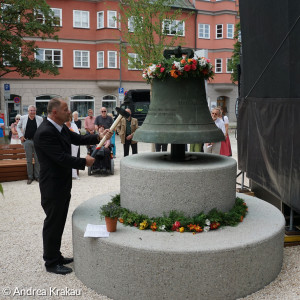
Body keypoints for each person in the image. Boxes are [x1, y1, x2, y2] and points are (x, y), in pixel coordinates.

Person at [33, 98, 112, 275]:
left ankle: (56, 255)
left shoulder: (59, 127)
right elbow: (61, 158)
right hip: (52, 186)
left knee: (59, 220)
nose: (69, 112)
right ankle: (51, 262)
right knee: (53, 222)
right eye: (66, 109)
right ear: (54, 112)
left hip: (62, 184)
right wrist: (84, 161)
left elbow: (77, 138)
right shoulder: (45, 132)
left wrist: (99, 136)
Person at [17, 105, 43, 184]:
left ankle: (37, 176)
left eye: (34, 110)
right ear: (28, 111)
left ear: (36, 111)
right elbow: (18, 127)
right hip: (27, 141)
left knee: (37, 160)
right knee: (29, 160)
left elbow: (43, 128)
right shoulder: (23, 118)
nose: (32, 112)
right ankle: (30, 177)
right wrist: (21, 135)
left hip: (37, 142)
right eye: (31, 110)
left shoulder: (40, 119)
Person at [65, 115, 80, 179]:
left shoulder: (74, 125)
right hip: (65, 144)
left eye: (69, 118)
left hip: (73, 145)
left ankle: (74, 174)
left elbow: (77, 134)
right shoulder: (63, 125)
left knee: (73, 158)